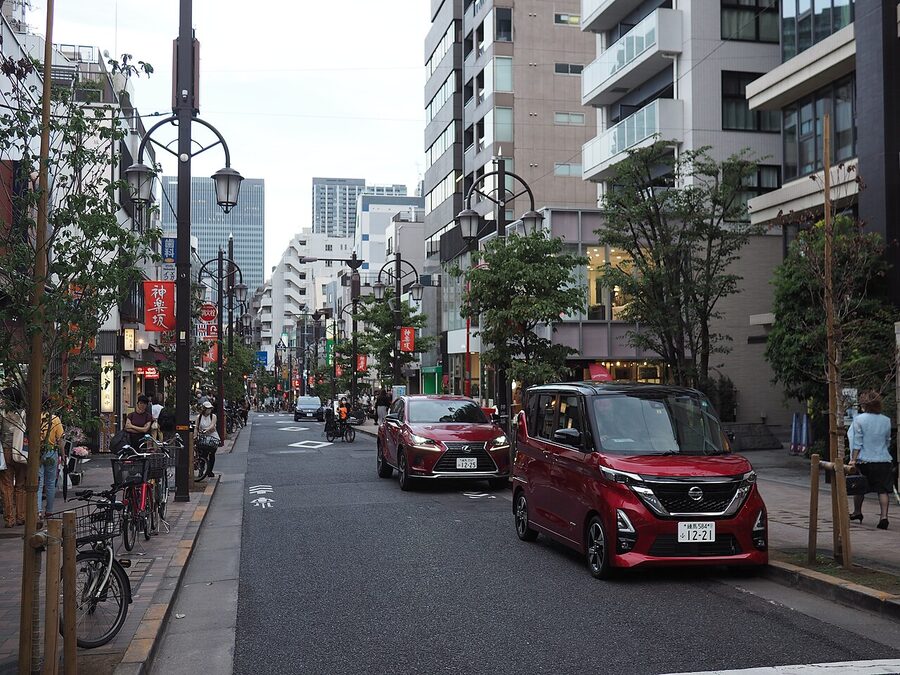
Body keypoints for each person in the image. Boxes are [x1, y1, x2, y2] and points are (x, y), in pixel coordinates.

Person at [849, 390, 893, 529]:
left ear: (864, 404)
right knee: (883, 490)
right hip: (884, 459)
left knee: (859, 488)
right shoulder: (886, 420)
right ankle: (884, 517)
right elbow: (887, 440)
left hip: (865, 460)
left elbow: (857, 442)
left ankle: (857, 511)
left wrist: (853, 460)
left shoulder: (859, 419)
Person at [0, 388, 26, 527]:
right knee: (20, 485)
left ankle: (9, 519)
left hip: (5, 450)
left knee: (7, 485)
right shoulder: (24, 413)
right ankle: (21, 516)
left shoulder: (3, 413)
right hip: (21, 451)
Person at [37, 408, 65, 520]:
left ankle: (38, 511)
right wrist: (63, 455)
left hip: (37, 451)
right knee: (50, 483)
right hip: (51, 451)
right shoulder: (55, 419)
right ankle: (49, 511)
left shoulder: (34, 417)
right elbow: (60, 439)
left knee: (38, 483)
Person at [195, 400, 220, 478]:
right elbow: (196, 427)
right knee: (203, 454)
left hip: (213, 436)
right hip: (203, 437)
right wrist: (195, 436)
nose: (209, 410)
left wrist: (206, 430)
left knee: (212, 454)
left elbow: (212, 425)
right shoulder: (199, 417)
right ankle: (201, 470)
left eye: (210, 408)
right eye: (207, 408)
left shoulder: (213, 416)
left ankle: (210, 471)